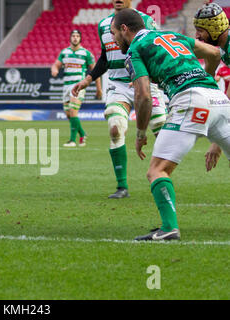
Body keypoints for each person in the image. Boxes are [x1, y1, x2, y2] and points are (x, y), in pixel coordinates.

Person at [111, 8, 230, 241]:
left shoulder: (136, 49)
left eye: (115, 33)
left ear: (125, 29)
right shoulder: (171, 35)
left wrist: (141, 133)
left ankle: (169, 228)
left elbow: (143, 95)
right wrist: (207, 80)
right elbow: (215, 53)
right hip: (221, 101)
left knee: (157, 170)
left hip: (191, 101)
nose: (114, 40)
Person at [71, 0, 167, 199]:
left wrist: (142, 77)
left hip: (145, 81)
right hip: (118, 85)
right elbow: (105, 58)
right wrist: (88, 79)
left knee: (162, 131)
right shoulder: (104, 25)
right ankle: (122, 186)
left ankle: (161, 178)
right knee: (115, 127)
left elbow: (154, 52)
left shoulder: (146, 20)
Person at [51, 29, 102, 147]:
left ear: (80, 38)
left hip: (78, 86)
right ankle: (82, 134)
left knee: (73, 112)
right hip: (66, 86)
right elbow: (56, 64)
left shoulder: (86, 54)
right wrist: (54, 69)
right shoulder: (64, 52)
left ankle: (72, 140)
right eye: (73, 36)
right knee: (68, 114)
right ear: (70, 38)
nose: (75, 38)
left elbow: (95, 71)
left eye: (77, 36)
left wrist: (98, 89)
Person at [194, 2, 230, 164]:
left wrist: (217, 142)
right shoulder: (221, 48)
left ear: (214, 29)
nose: (197, 36)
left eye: (200, 30)